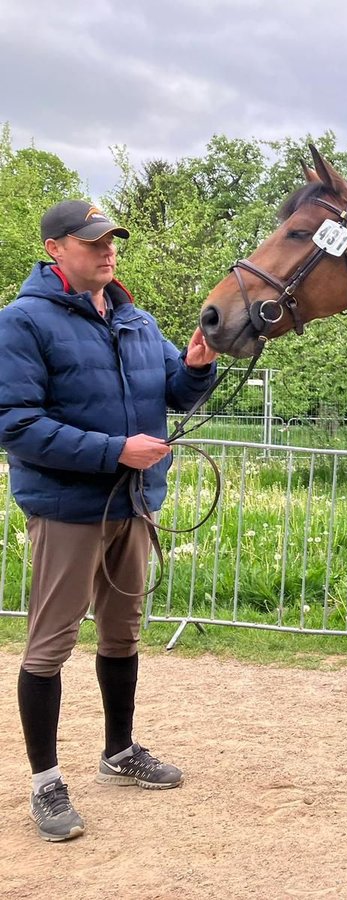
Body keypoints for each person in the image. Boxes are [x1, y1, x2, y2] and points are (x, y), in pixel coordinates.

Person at [0, 200, 219, 841]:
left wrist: (198, 368)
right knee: (49, 647)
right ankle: (45, 784)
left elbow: (172, 393)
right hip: (69, 511)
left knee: (122, 637)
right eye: (92, 240)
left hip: (134, 504)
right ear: (55, 250)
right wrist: (115, 450)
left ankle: (118, 752)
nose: (108, 249)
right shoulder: (22, 323)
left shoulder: (135, 318)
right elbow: (15, 425)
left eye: (111, 240)